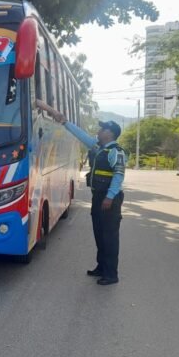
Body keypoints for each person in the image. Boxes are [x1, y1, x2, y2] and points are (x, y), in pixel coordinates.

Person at [36, 100, 126, 285]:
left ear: (110, 133)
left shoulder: (116, 152)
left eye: (102, 130)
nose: (98, 132)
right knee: (99, 234)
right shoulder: (99, 147)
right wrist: (64, 122)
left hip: (110, 199)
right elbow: (81, 136)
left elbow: (118, 175)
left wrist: (110, 197)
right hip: (98, 197)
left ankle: (111, 274)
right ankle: (101, 267)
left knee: (109, 237)